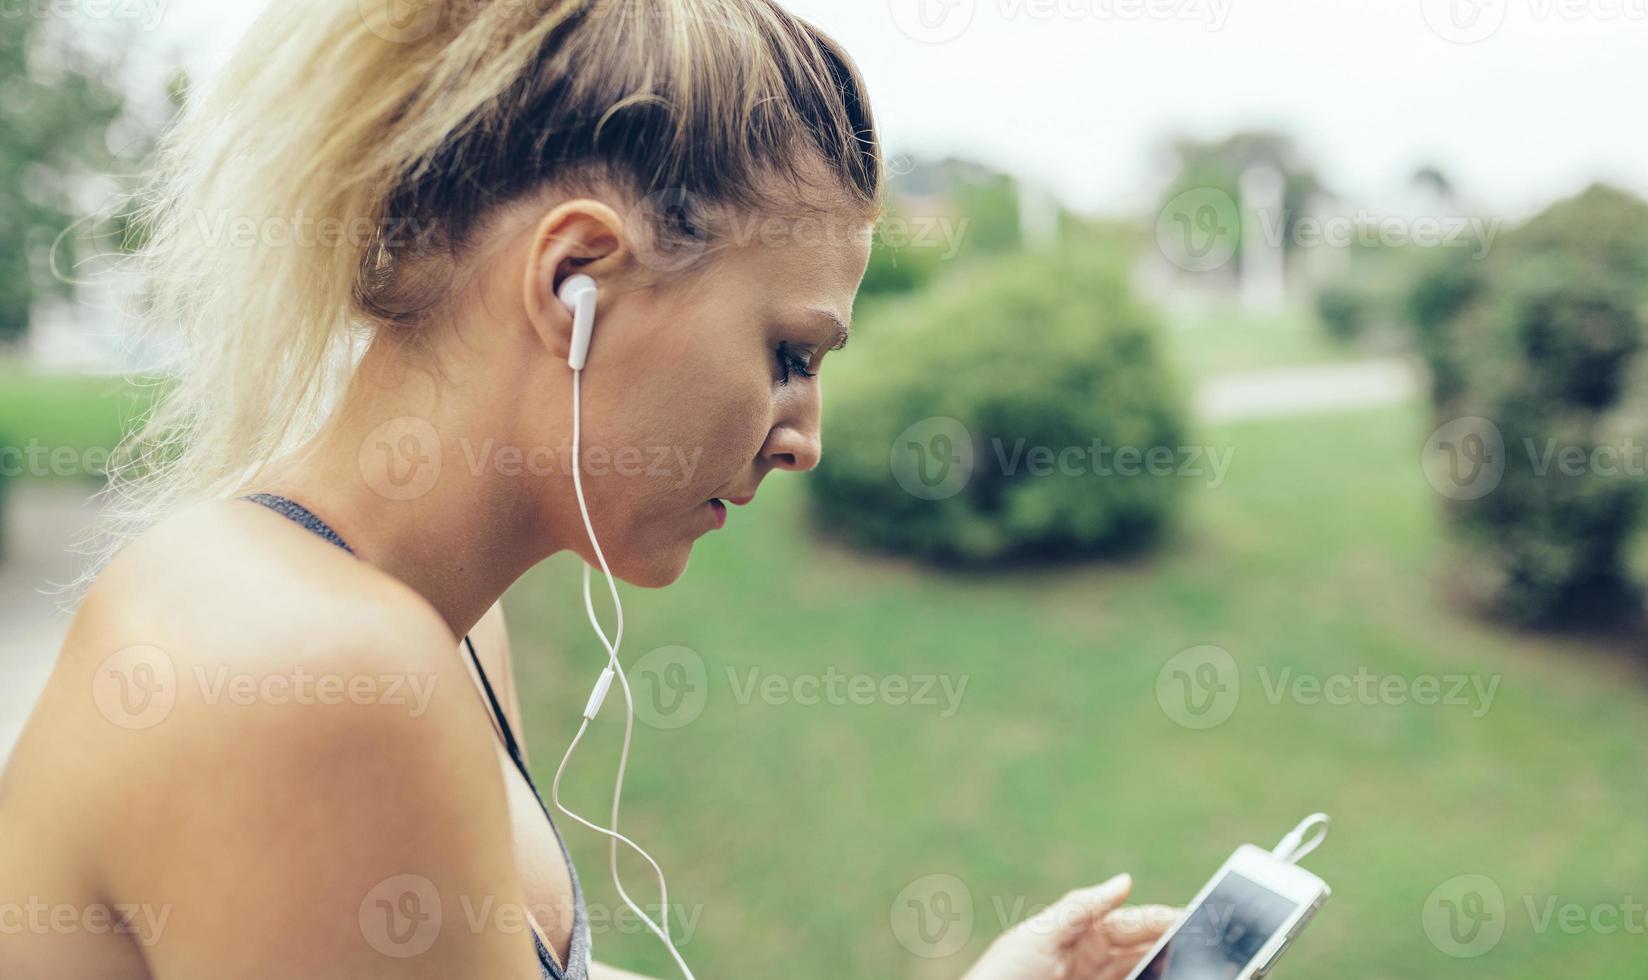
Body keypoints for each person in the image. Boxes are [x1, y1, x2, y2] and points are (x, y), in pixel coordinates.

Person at [0, 1, 1175, 977]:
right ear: (574, 279)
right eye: (789, 354)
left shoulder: (430, 627)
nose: (804, 435)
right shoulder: (323, 675)